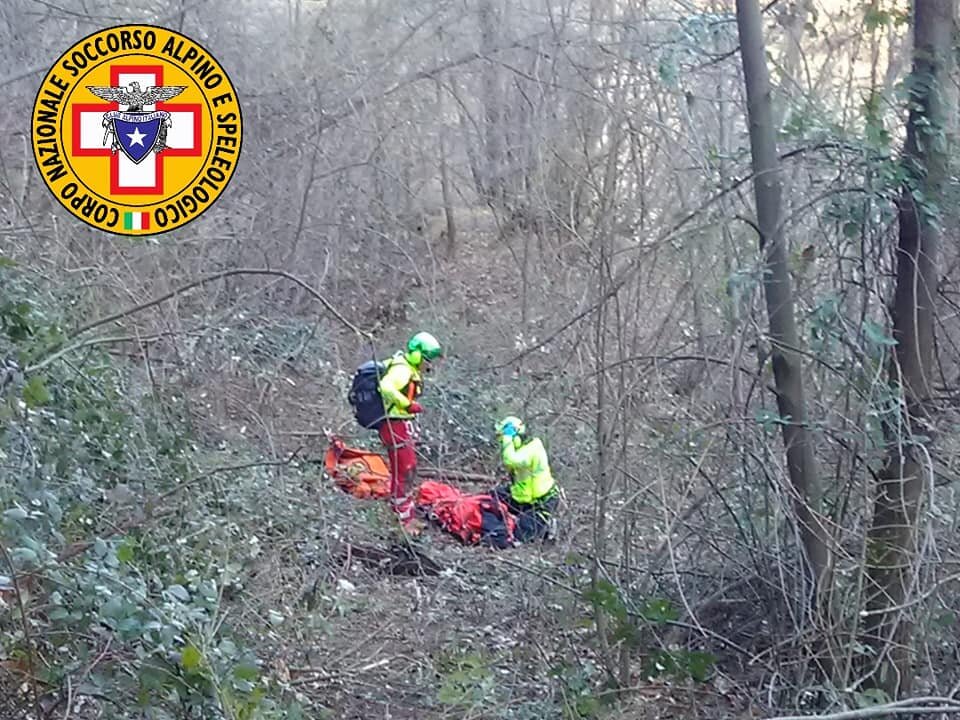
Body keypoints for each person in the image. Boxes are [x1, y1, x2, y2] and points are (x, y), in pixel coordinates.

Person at [377, 331, 443, 529]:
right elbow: (385, 387)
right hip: (393, 424)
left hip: (400, 422)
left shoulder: (410, 369)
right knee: (406, 468)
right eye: (427, 359)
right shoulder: (402, 370)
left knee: (404, 468)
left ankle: (402, 514)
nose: (429, 365)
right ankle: (403, 519)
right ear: (417, 355)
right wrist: (406, 404)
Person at [493, 416, 559, 542]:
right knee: (491, 498)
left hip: (542, 502)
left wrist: (508, 438)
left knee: (518, 535)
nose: (503, 445)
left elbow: (510, 460)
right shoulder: (520, 449)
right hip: (523, 498)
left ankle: (546, 526)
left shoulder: (533, 448)